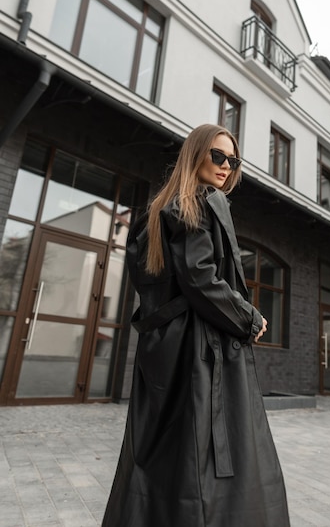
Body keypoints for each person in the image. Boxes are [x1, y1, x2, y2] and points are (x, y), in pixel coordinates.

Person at [102, 124, 290, 527]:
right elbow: (201, 277)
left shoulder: (158, 212)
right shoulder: (201, 203)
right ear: (196, 154)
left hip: (164, 353)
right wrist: (249, 317)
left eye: (233, 161)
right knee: (209, 461)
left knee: (166, 455)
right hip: (200, 351)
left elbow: (166, 285)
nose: (226, 167)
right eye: (218, 156)